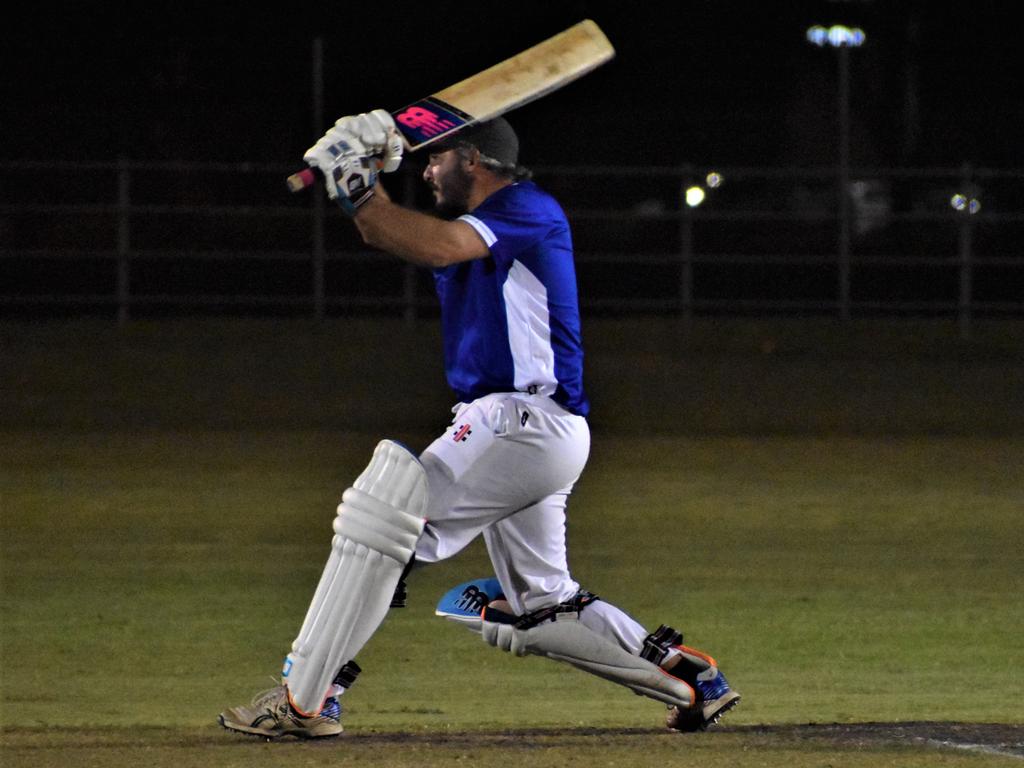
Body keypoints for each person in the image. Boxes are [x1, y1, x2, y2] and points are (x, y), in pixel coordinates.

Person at [218, 110, 740, 739]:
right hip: (538, 431)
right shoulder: (486, 223)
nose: (427, 171)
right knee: (540, 606)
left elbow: (433, 242)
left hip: (516, 419)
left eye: (435, 158)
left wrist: (355, 182)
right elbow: (390, 233)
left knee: (380, 523)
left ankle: (305, 700)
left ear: (473, 158)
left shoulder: (528, 206)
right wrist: (361, 184)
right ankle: (689, 680)